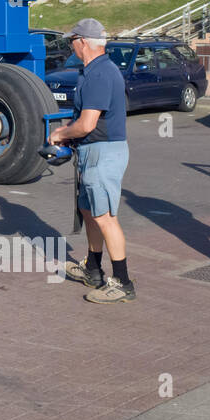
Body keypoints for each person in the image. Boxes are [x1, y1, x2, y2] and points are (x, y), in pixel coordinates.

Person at [49, 18, 135, 304]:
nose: (70, 45)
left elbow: (86, 125)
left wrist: (61, 133)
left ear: (82, 41)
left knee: (105, 217)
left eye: (71, 40)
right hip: (93, 151)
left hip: (103, 153)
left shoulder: (100, 74)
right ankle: (93, 269)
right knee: (89, 212)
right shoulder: (93, 70)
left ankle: (123, 283)